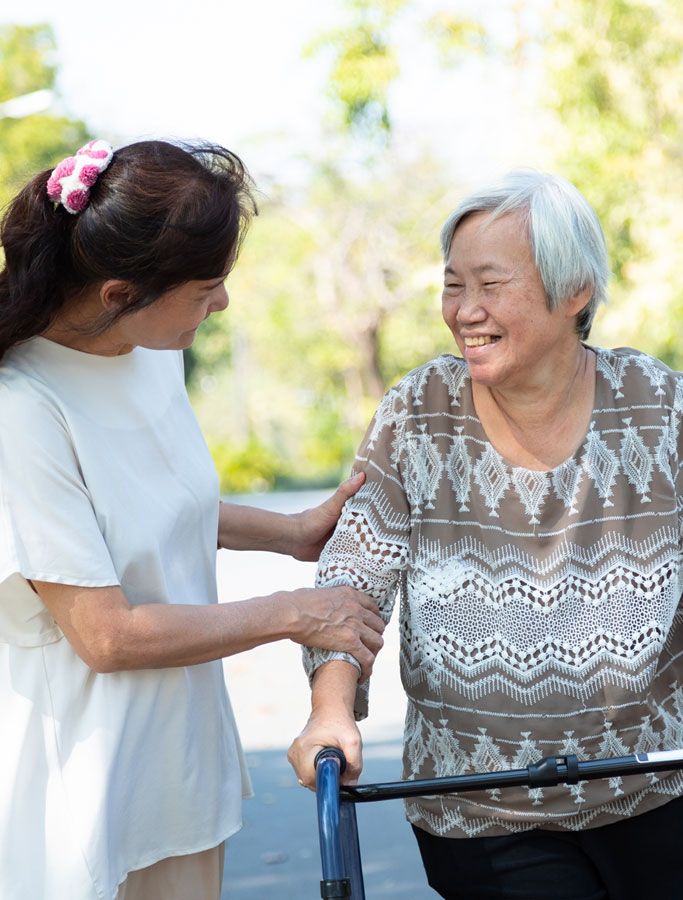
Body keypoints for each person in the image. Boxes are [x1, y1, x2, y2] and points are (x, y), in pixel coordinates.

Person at [0, 138, 385, 900]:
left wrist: (291, 533)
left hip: (177, 770)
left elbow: (149, 507)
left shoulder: (149, 352)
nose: (223, 302)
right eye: (209, 284)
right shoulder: (23, 411)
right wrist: (293, 613)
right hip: (81, 788)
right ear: (118, 293)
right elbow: (105, 635)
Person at [288, 170, 683, 899]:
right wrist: (330, 707)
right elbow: (353, 576)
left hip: (654, 790)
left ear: (575, 292)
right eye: (451, 285)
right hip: (481, 809)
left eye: (489, 284)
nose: (464, 311)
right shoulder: (418, 413)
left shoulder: (659, 408)